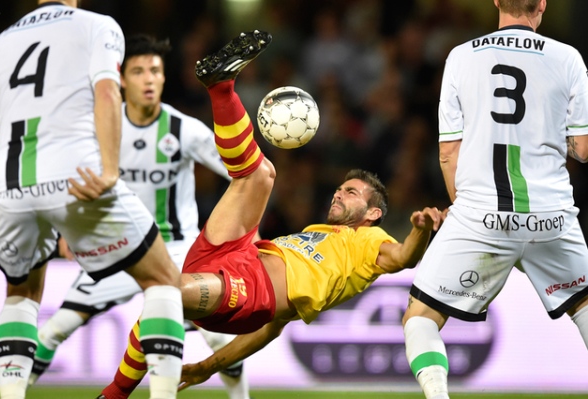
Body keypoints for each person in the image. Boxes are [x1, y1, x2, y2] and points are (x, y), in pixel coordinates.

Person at [98, 30, 446, 398]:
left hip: (252, 292)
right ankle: (221, 86)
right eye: (340, 187)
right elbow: (271, 330)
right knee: (260, 174)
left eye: (352, 192)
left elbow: (404, 258)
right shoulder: (318, 232)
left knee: (167, 291)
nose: (339, 193)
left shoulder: (370, 242)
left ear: (373, 212)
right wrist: (207, 366)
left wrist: (421, 230)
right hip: (242, 252)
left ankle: (115, 393)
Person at [25, 34, 252, 399]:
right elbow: (74, 179)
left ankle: (240, 397)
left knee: (218, 335)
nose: (149, 79)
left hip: (177, 250)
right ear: (121, 79)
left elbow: (245, 174)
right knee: (54, 330)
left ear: (164, 78)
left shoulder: (185, 130)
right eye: (139, 71)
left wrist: (237, 235)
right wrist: (69, 229)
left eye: (156, 71)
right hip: (119, 248)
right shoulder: (101, 129)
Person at [0, 2, 185, 399]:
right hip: (76, 178)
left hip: (11, 184)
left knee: (20, 294)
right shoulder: (97, 25)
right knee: (163, 278)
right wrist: (110, 170)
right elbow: (108, 93)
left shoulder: (0, 43)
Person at [401, 1, 588, 398]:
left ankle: (437, 395)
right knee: (585, 308)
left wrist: (458, 209)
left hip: (481, 215)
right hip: (550, 217)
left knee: (421, 318)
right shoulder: (568, 58)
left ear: (497, 1)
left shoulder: (461, 56)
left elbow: (448, 152)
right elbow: (584, 149)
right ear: (542, 4)